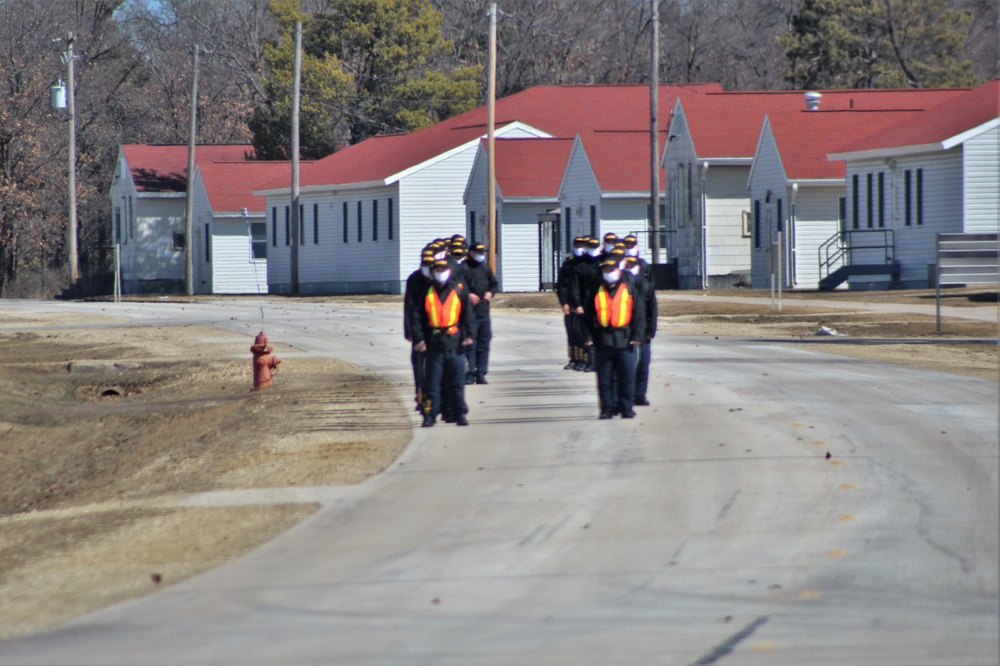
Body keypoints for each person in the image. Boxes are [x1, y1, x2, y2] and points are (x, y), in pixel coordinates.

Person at [409, 259, 474, 427]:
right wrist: (419, 339)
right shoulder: (425, 291)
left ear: (449, 271)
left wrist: (469, 335)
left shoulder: (458, 290)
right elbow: (416, 318)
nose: (440, 272)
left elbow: (467, 314)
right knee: (432, 383)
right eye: (437, 269)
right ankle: (430, 415)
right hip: (434, 342)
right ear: (432, 272)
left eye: (443, 269)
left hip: (455, 342)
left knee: (457, 382)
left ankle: (460, 414)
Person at [583, 257, 645, 419]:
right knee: (604, 379)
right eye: (605, 271)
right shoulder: (596, 290)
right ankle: (607, 409)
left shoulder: (629, 289)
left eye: (611, 270)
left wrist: (638, 336)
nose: (608, 274)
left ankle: (626, 408)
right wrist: (588, 337)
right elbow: (587, 317)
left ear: (619, 271)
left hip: (625, 340)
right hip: (602, 340)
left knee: (627, 377)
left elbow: (639, 315)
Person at [403, 250, 435, 411]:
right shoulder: (414, 279)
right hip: (419, 329)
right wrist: (409, 331)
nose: (428, 267)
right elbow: (409, 306)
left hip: (436, 330)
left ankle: (434, 397)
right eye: (425, 264)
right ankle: (420, 394)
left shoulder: (439, 279)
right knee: (419, 364)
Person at [624, 255, 657, 406]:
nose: (630, 268)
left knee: (643, 363)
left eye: (633, 265)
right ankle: (627, 394)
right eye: (627, 265)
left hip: (643, 331)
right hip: (625, 330)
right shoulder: (621, 285)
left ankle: (639, 395)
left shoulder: (646, 286)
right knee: (627, 365)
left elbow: (653, 310)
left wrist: (651, 331)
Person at [463, 242, 498, 384]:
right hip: (470, 312)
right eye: (477, 253)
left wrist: (490, 293)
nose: (480, 255)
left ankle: (481, 372)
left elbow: (494, 283)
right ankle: (470, 372)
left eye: (482, 253)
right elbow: (458, 286)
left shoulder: (484, 266)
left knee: (484, 343)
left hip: (483, 311)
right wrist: (468, 295)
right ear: (470, 253)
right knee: (471, 343)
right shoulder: (464, 268)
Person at [557, 237, 588, 370]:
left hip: (584, 304)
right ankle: (574, 359)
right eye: (577, 245)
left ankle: (584, 359)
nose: (579, 247)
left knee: (584, 335)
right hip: (571, 304)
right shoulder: (568, 264)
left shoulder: (588, 264)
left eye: (582, 245)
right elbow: (562, 285)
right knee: (572, 334)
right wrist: (564, 303)